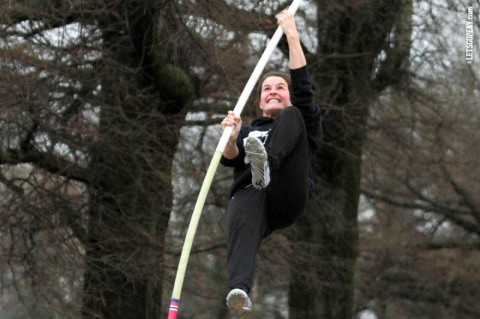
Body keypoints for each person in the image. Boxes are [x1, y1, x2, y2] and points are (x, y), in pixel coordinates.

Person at [220, 10, 323, 316]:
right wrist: (231, 136)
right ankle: (239, 290)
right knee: (244, 196)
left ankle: (267, 163)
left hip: (287, 194)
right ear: (260, 102)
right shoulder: (249, 131)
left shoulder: (299, 117)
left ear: (287, 96)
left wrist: (291, 33)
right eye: (267, 89)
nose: (274, 91)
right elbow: (230, 158)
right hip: (253, 194)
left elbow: (303, 87)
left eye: (280, 88)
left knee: (294, 118)